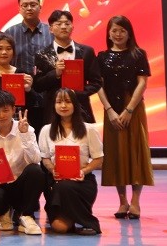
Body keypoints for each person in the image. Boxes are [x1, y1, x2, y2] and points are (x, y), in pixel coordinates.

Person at [96, 15, 153, 220]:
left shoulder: (138, 54)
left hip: (133, 109)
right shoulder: (101, 57)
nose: (118, 34)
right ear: (108, 33)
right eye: (114, 30)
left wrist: (129, 110)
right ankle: (122, 201)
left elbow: (142, 83)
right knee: (116, 153)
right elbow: (98, 85)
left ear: (129, 33)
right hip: (111, 110)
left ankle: (135, 201)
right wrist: (110, 110)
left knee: (136, 152)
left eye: (122, 30)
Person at [0, 90, 44, 235]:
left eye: (6, 110)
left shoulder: (26, 129)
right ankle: (4, 212)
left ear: (13, 109)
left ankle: (26, 215)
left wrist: (24, 135)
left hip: (20, 186)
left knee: (35, 170)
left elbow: (35, 160)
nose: (1, 115)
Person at [38, 88, 102, 235]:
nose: (63, 106)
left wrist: (83, 171)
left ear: (75, 104)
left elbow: (99, 158)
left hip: (82, 181)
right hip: (56, 182)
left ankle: (90, 222)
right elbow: (45, 158)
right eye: (59, 102)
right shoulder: (46, 130)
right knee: (59, 228)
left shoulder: (89, 129)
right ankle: (73, 216)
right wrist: (52, 169)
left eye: (67, 101)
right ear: (54, 105)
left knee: (65, 186)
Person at [33, 10, 102, 123]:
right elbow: (37, 85)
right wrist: (55, 74)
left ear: (72, 27)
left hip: (82, 109)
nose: (63, 27)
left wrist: (76, 94)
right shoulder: (42, 54)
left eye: (67, 23)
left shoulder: (87, 51)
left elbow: (96, 82)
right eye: (59, 24)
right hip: (53, 112)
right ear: (50, 29)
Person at [4, 0, 51, 133]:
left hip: (46, 94)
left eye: (33, 5)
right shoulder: (10, 33)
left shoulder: (51, 32)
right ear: (19, 9)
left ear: (40, 7)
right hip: (19, 96)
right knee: (20, 136)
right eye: (25, 5)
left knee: (45, 136)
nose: (29, 8)